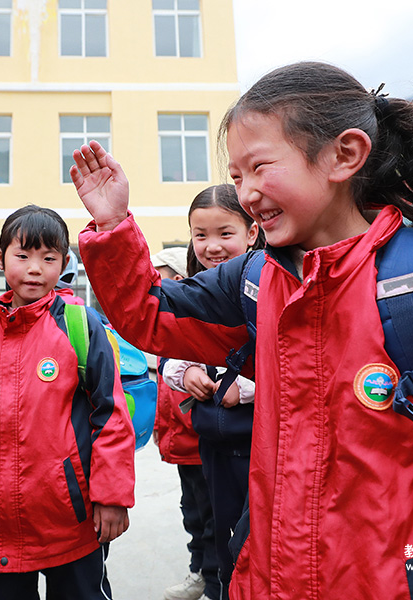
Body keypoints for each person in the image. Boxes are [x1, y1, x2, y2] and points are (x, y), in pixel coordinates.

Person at [70, 62, 413, 599]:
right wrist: (111, 226)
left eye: (260, 167)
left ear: (344, 155)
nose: (246, 194)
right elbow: (152, 314)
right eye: (236, 177)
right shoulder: (255, 280)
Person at [0, 204, 135, 600]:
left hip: (72, 520)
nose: (35, 269)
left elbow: (111, 414)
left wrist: (112, 497)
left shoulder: (80, 325)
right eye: (23, 256)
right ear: (0, 257)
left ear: (64, 263)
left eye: (48, 258)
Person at [160, 185, 262, 600]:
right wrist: (184, 373)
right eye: (200, 235)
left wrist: (247, 388)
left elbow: (293, 364)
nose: (212, 246)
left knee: (258, 542)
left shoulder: (268, 284)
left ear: (252, 233)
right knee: (218, 536)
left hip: (259, 445)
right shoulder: (194, 287)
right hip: (212, 444)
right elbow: (169, 351)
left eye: (225, 233)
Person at [151, 245, 218, 600]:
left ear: (177, 280)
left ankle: (213, 580)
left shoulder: (196, 322)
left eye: (158, 278)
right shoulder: (168, 325)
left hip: (201, 444)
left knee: (211, 519)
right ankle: (200, 573)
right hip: (182, 448)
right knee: (193, 514)